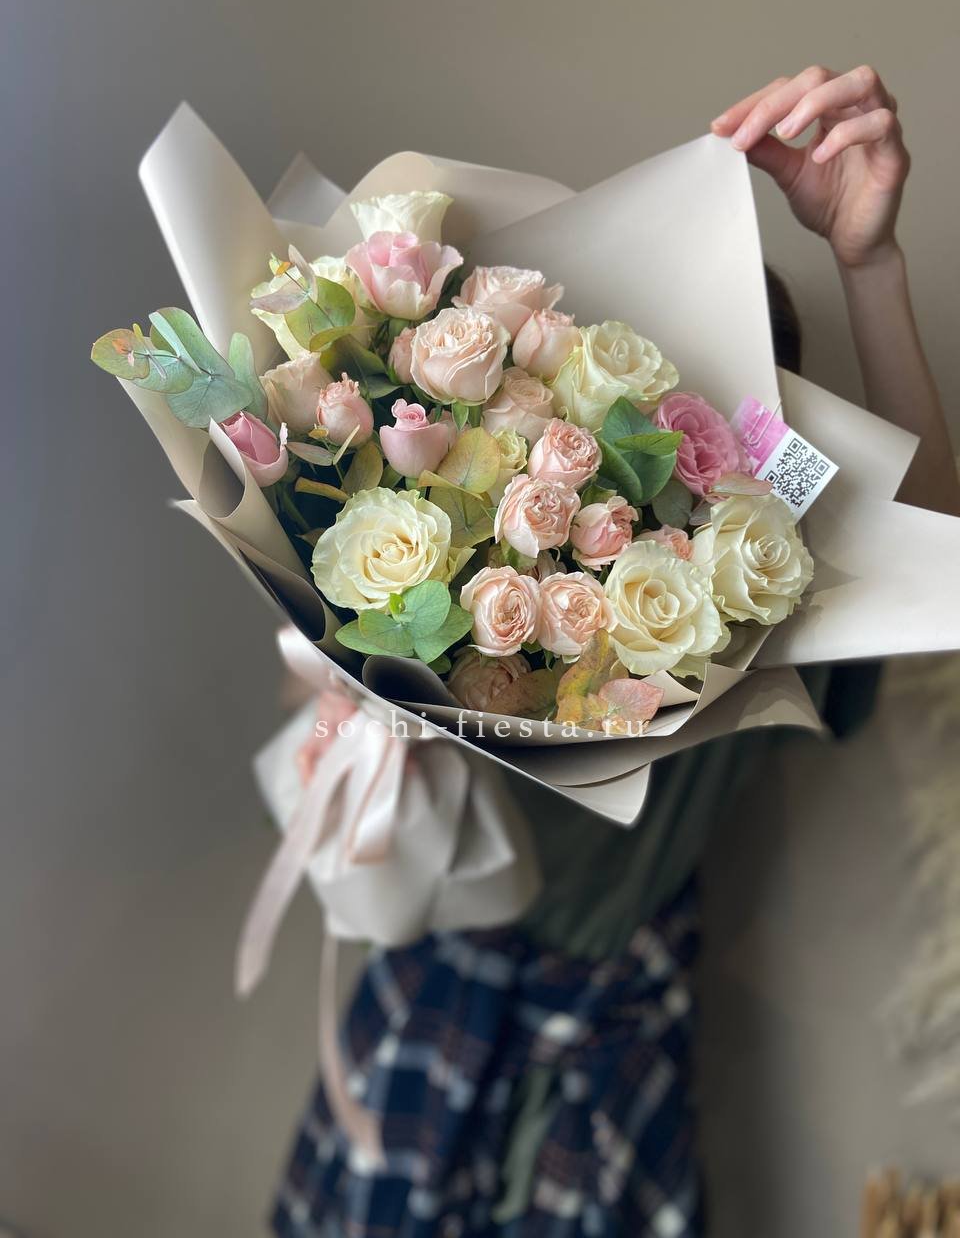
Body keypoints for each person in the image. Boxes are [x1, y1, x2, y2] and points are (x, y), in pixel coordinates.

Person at [271, 65, 960, 1238]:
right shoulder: (482, 563)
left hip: (622, 1034)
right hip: (436, 1002)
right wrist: (361, 710)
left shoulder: (779, 606)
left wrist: (871, 265)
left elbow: (931, 567)